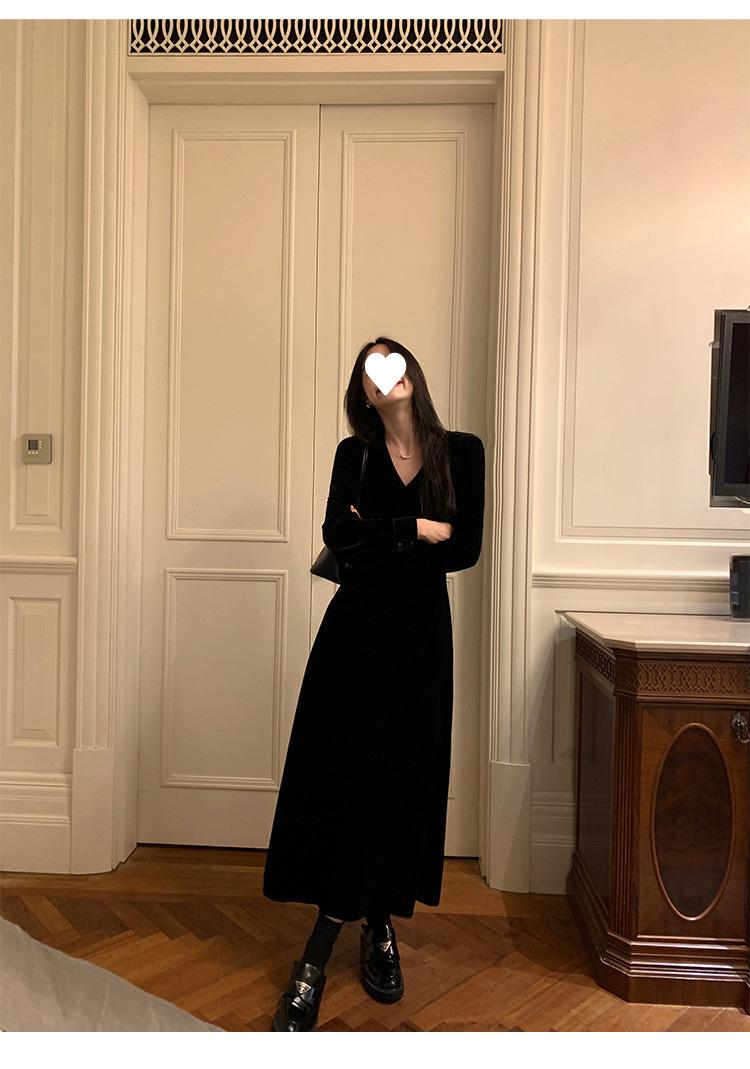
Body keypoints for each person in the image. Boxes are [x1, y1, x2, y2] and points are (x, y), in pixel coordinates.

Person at [262, 336, 486, 1031]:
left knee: (401, 780)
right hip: (354, 640)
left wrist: (380, 535)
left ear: (413, 373)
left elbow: (466, 547)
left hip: (420, 642)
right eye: (370, 370)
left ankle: (379, 922)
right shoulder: (353, 455)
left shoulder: (462, 452)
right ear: (363, 392)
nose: (384, 375)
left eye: (392, 362)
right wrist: (415, 527)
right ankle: (322, 948)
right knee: (348, 781)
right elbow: (339, 535)